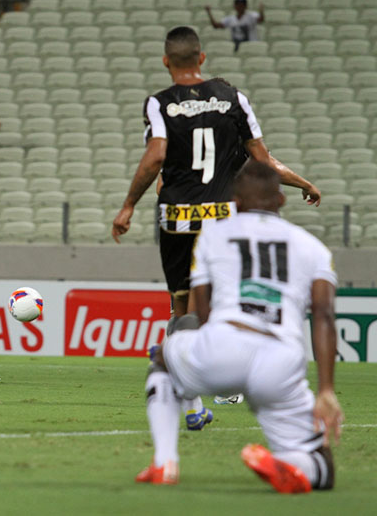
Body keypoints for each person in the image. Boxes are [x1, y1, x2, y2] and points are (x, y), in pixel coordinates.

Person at [111, 26, 320, 427]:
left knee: (181, 306)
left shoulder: (159, 104)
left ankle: (188, 400)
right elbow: (264, 161)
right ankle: (226, 382)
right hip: (222, 219)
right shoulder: (233, 102)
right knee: (223, 303)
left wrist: (128, 206)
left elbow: (156, 161)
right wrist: (302, 184)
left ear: (166, 61)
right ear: (202, 58)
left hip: (176, 218)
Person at [136, 161, 343, 493]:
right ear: (281, 199)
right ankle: (295, 464)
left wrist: (209, 351)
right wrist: (326, 390)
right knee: (323, 469)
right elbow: (324, 315)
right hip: (280, 361)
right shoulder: (313, 247)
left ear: (234, 201)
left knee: (162, 358)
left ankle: (165, 462)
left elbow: (202, 309)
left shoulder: (213, 235)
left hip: (224, 344)